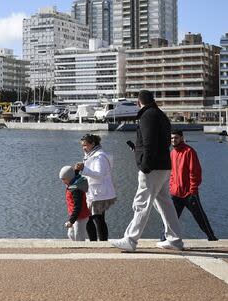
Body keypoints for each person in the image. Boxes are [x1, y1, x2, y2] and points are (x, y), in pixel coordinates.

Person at [109, 90, 185, 252]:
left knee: (141, 203)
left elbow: (149, 143)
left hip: (152, 167)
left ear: (138, 102)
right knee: (165, 204)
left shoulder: (147, 116)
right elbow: (158, 142)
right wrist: (139, 151)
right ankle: (175, 240)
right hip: (164, 166)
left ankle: (130, 239)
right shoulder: (161, 115)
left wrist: (144, 165)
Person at [166, 130, 218, 241]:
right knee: (170, 219)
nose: (173, 140)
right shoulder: (172, 153)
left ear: (181, 138)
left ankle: (211, 237)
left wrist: (193, 190)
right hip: (176, 194)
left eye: (176, 138)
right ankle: (164, 239)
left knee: (200, 217)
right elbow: (172, 173)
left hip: (189, 194)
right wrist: (171, 187)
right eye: (171, 138)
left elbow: (195, 172)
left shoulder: (189, 151)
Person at [73, 133, 116, 241]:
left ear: (93, 143)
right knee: (91, 218)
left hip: (99, 193)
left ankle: (101, 243)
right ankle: (95, 242)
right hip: (94, 192)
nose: (83, 148)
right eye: (82, 145)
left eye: (85, 145)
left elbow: (99, 174)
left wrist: (84, 169)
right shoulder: (92, 154)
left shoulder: (99, 157)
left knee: (98, 219)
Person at [59, 165, 90, 241]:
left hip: (80, 217)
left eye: (63, 179)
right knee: (71, 234)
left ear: (69, 178)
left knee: (78, 237)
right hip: (75, 216)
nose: (62, 181)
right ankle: (77, 249)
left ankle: (81, 251)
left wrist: (71, 221)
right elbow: (73, 174)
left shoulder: (75, 189)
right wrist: (76, 170)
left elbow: (78, 206)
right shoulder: (73, 182)